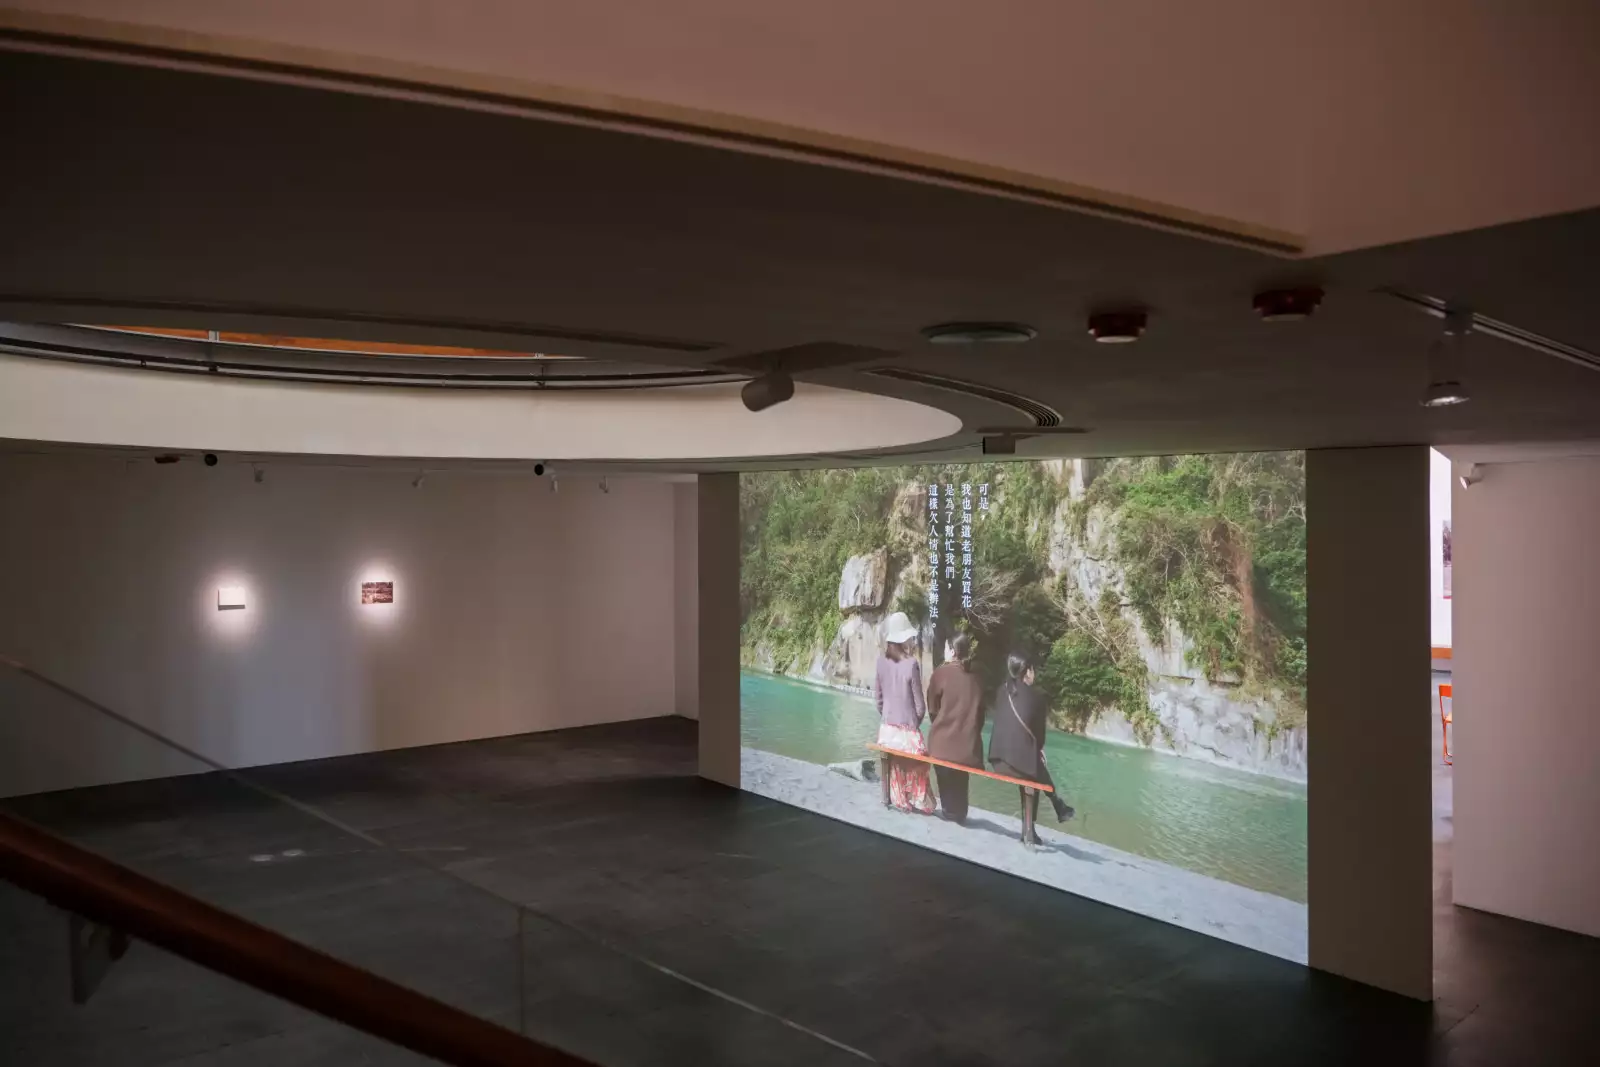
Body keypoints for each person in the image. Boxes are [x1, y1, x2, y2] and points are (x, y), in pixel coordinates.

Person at [988, 651, 1074, 846]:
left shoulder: (1001, 690)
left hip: (997, 760)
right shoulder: (1037, 698)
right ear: (1027, 671)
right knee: (1032, 770)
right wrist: (1038, 750)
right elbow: (1040, 738)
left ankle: (1037, 825)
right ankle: (1039, 822)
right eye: (1033, 670)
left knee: (1030, 767)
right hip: (1020, 765)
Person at [874, 611, 936, 815]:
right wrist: (913, 723)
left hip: (886, 730)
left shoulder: (880, 662)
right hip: (907, 731)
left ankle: (896, 796)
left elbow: (878, 700)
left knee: (896, 758)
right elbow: (920, 706)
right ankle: (915, 798)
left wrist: (888, 717)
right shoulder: (911, 664)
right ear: (903, 639)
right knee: (920, 758)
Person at [926, 632, 985, 824]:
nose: (943, 652)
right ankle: (959, 812)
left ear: (952, 651)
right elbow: (980, 717)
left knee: (946, 775)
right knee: (960, 778)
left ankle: (950, 812)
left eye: (945, 648)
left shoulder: (940, 673)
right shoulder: (977, 679)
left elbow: (932, 709)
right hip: (968, 748)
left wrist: (941, 724)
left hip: (942, 745)